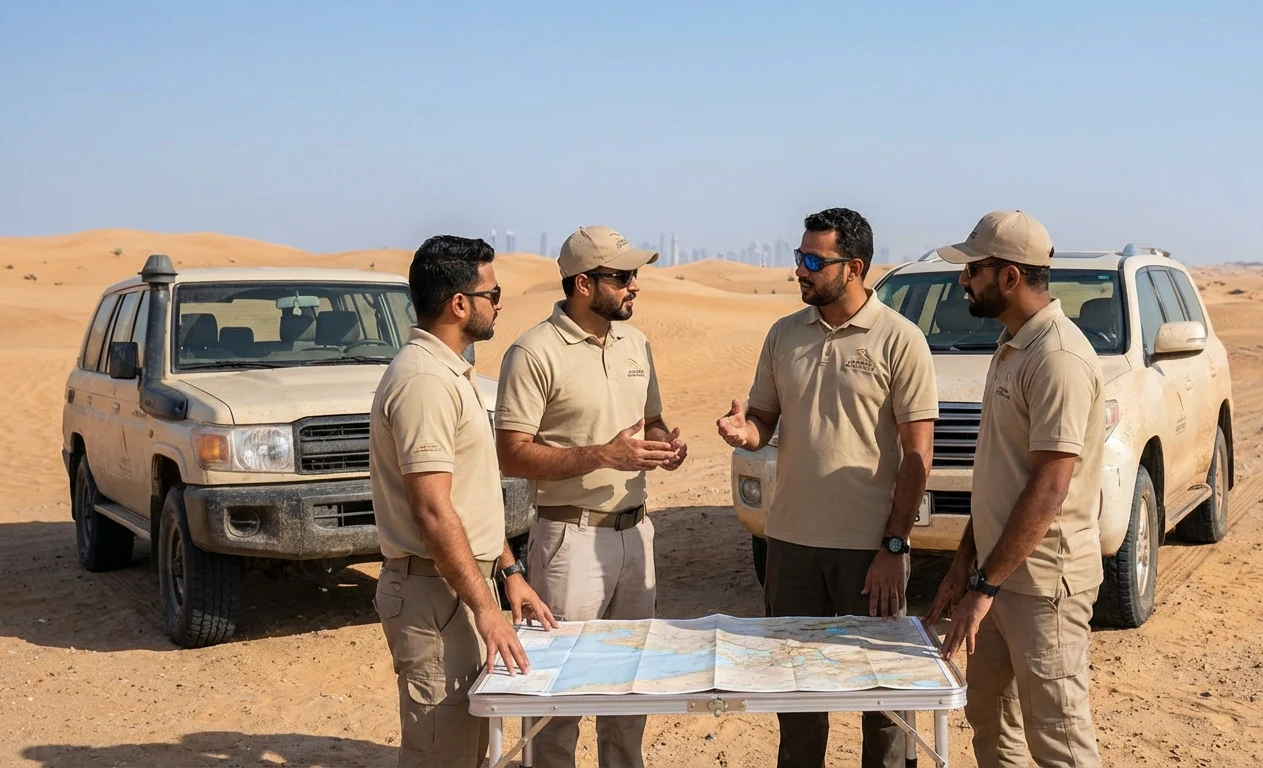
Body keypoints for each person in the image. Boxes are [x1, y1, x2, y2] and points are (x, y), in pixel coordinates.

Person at [717, 207, 938, 768]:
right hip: (788, 544)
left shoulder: (900, 340)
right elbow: (764, 418)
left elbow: (917, 456)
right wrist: (745, 432)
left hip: (869, 551)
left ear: (854, 267)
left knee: (883, 700)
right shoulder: (783, 334)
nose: (801, 271)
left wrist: (894, 546)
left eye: (815, 261)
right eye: (799, 258)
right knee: (797, 697)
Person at [494, 225, 687, 768]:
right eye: (623, 276)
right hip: (568, 541)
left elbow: (650, 422)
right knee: (558, 695)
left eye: (635, 276)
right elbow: (510, 454)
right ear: (584, 283)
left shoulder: (636, 342)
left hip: (637, 536)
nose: (635, 287)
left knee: (631, 688)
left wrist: (665, 445)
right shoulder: (534, 351)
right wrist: (602, 455)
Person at [921, 210, 1105, 767]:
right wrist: (966, 565)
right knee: (991, 724)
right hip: (998, 578)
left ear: (1009, 277)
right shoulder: (1014, 345)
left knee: (1059, 739)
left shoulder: (1059, 358)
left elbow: (1048, 487)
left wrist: (983, 589)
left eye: (972, 269)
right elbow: (999, 476)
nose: (962, 281)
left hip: (1043, 583)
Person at [369, 235, 557, 768]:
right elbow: (432, 510)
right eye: (493, 294)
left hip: (459, 583)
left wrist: (508, 571)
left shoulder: (451, 371)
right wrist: (484, 608)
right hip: (435, 592)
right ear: (459, 304)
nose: (498, 304)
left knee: (469, 749)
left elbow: (468, 496)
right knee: (441, 751)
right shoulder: (425, 380)